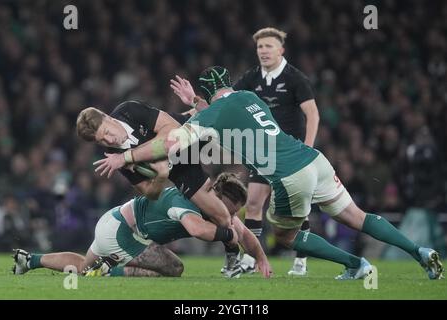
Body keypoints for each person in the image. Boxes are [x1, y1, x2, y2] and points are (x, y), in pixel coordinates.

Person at [95, 66, 444, 280]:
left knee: (289, 239)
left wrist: (126, 157)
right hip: (313, 159)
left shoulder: (212, 115)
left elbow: (169, 143)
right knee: (357, 216)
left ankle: (356, 264)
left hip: (290, 175)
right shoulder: (249, 97)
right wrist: (196, 105)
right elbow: (223, 112)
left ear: (206, 95)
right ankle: (419, 252)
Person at [170, 27, 320, 276]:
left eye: (268, 46)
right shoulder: (251, 79)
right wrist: (194, 105)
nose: (263, 51)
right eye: (260, 47)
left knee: (298, 207)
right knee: (252, 203)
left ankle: (301, 260)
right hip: (261, 153)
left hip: (290, 151)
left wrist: (308, 147)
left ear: (281, 49)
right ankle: (253, 258)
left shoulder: (295, 79)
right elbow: (222, 103)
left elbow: (312, 114)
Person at [76, 101, 246, 276]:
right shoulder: (114, 156)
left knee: (229, 122)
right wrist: (161, 176)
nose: (109, 140)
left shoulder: (128, 111)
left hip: (191, 133)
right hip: (182, 168)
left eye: (107, 132)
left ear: (107, 117)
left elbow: (173, 130)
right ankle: (235, 260)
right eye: (102, 140)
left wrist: (130, 156)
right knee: (223, 218)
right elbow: (150, 193)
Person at [13, 171, 272, 279]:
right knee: (174, 267)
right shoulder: (187, 202)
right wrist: (228, 236)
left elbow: (242, 232)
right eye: (229, 210)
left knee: (82, 267)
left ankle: (30, 260)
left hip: (115, 222)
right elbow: (197, 230)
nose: (229, 216)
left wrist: (260, 257)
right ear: (218, 197)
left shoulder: (210, 203)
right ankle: (106, 271)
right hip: (124, 232)